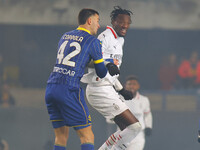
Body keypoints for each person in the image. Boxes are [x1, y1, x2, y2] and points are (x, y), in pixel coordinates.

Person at [45, 8, 120, 150]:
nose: (98, 25)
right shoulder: (93, 42)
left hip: (51, 88)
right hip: (69, 89)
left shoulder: (65, 36)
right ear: (90, 21)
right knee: (87, 136)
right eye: (97, 21)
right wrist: (108, 64)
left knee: (61, 137)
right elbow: (102, 73)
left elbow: (77, 60)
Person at [81, 6, 142, 150]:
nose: (125, 25)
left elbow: (113, 72)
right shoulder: (105, 37)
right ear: (114, 21)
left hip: (108, 88)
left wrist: (121, 90)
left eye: (128, 23)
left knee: (126, 130)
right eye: (122, 22)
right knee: (134, 127)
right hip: (98, 90)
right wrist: (107, 64)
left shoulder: (119, 41)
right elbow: (90, 60)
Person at [117, 75, 153, 150]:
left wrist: (148, 126)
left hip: (138, 134)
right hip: (122, 134)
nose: (132, 86)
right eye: (129, 84)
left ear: (138, 86)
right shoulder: (119, 99)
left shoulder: (144, 100)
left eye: (134, 84)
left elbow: (147, 115)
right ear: (125, 86)